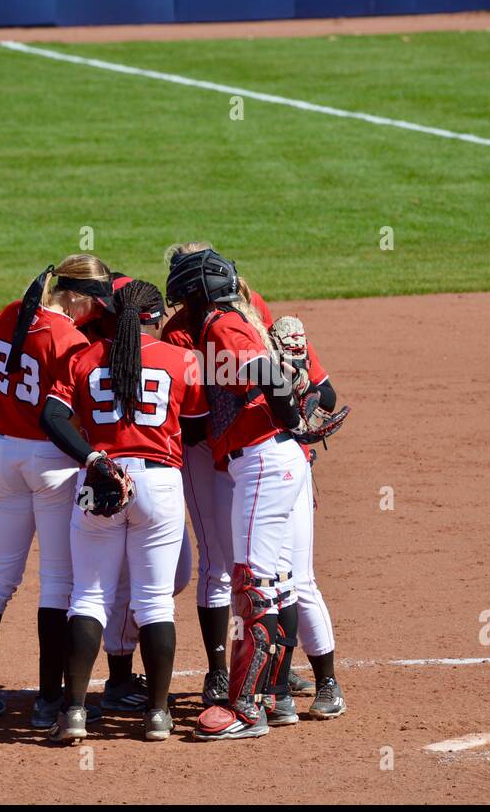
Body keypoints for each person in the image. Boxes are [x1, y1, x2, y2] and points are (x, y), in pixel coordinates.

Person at [40, 280, 209, 741]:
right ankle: (157, 715)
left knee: (88, 598)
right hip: (159, 483)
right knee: (155, 601)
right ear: (154, 317)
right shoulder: (181, 360)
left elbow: (51, 417)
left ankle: (74, 713)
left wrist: (93, 457)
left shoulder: (84, 358)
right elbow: (196, 427)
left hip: (100, 481)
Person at [0, 254, 112, 729]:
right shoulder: (70, 339)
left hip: (5, 453)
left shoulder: (11, 314)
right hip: (51, 463)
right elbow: (68, 415)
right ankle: (48, 703)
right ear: (76, 296)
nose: (97, 313)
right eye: (95, 304)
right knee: (59, 580)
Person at [166, 248, 306, 740]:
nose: (180, 305)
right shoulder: (234, 319)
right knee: (275, 581)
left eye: (184, 295)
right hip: (271, 458)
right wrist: (291, 422)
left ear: (198, 293)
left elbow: (267, 374)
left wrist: (290, 419)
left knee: (253, 583)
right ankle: (274, 697)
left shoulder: (221, 326)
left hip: (261, 459)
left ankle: (246, 708)